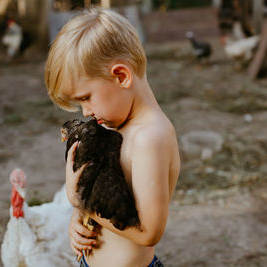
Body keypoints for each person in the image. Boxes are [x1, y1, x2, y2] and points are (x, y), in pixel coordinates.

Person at [44, 7, 180, 267]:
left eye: (86, 98)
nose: (86, 112)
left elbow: (149, 232)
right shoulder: (114, 127)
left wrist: (81, 201)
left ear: (121, 76)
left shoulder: (149, 138)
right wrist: (80, 215)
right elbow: (106, 195)